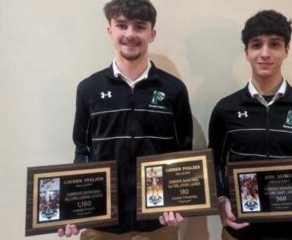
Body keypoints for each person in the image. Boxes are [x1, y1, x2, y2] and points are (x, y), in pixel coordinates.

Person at [58, 0, 193, 239]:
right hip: (102, 227)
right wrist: (73, 208)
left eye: (139, 26)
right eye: (122, 25)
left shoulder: (174, 89)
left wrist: (180, 200)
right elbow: (83, 150)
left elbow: (183, 154)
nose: (130, 34)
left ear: (152, 33)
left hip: (158, 225)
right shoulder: (88, 89)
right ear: (109, 30)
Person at [209, 10, 292, 240]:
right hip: (240, 234)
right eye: (256, 45)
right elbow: (215, 162)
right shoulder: (225, 109)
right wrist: (222, 198)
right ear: (246, 52)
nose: (265, 53)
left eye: (274, 44)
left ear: (286, 50)